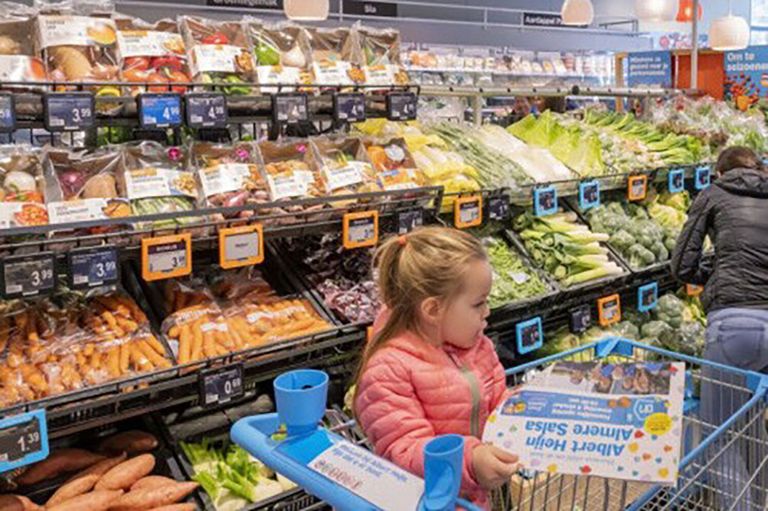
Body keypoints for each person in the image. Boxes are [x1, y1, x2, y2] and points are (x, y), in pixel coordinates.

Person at [354, 227, 519, 509]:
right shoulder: (388, 370)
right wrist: (469, 461)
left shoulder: (478, 347)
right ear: (432, 310)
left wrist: (519, 409)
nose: (487, 312)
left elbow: (494, 400)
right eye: (479, 303)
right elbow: (403, 452)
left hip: (471, 498)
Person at [671, 145, 768, 511]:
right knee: (754, 427)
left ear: (720, 173)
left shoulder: (713, 194)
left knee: (720, 434)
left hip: (733, 324)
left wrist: (714, 278)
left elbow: (681, 265)